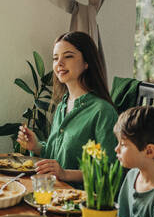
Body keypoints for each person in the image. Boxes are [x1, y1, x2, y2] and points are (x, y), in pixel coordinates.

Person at [18, 31, 118, 187]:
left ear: (87, 62)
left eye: (68, 56)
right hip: (54, 194)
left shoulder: (102, 112)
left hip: (81, 203)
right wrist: (36, 147)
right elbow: (57, 158)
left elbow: (109, 170)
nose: (59, 63)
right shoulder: (62, 105)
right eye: (56, 58)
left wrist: (65, 174)